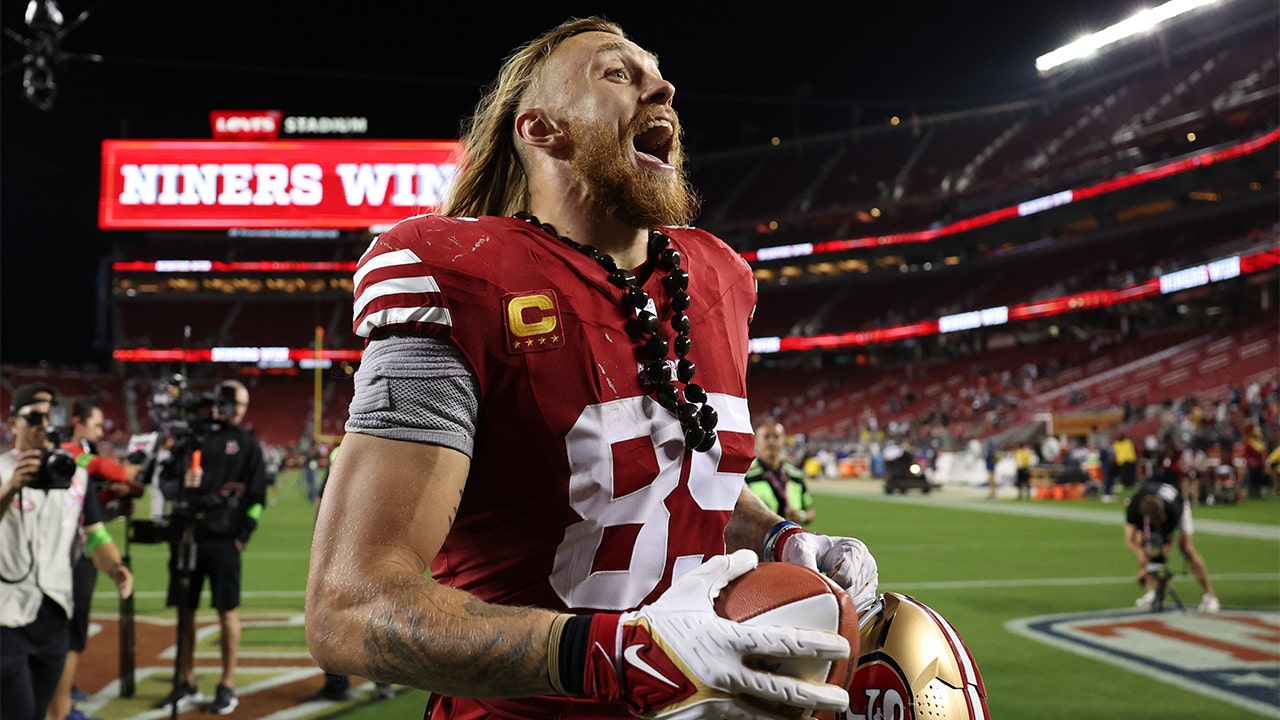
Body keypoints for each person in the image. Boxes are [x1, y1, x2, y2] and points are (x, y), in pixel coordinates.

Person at [306, 17, 878, 720]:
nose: (662, 86)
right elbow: (350, 606)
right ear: (542, 128)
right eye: (618, 73)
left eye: (657, 72)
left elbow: (671, 487)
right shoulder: (464, 277)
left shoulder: (717, 277)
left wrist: (778, 538)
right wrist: (621, 656)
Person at [1, 384, 133, 720]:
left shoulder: (75, 475)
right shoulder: (2, 470)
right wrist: (11, 487)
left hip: (55, 614)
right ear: (13, 422)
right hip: (6, 617)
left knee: (40, 711)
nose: (44, 425)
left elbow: (93, 535)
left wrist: (114, 566)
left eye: (51, 416)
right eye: (34, 416)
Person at [154, 380, 267, 715]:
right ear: (223, 401)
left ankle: (226, 684)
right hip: (187, 537)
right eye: (238, 403)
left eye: (246, 405)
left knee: (227, 611)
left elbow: (257, 498)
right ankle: (185, 681)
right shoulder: (191, 436)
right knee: (184, 613)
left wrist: (241, 534)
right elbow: (164, 479)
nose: (242, 411)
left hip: (223, 541)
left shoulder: (247, 443)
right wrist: (179, 486)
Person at [47, 398, 145, 720]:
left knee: (71, 635)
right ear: (76, 421)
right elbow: (121, 473)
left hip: (80, 555)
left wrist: (116, 566)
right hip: (40, 574)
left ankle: (62, 701)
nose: (102, 430)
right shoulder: (77, 460)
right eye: (97, 424)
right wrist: (126, 472)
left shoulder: (81, 470)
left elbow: (93, 525)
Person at [1124, 474, 1220, 613]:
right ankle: (1152, 592)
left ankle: (1210, 596)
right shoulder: (1134, 508)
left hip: (1180, 504)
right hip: (1153, 508)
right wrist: (1139, 552)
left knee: (1187, 549)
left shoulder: (1173, 510)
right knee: (1142, 546)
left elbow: (1169, 544)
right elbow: (1129, 540)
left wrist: (1147, 570)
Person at [745, 421, 814, 525]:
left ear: (784, 442)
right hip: (758, 539)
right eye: (766, 437)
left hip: (791, 538)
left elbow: (810, 510)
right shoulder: (745, 475)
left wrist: (801, 515)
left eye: (776, 437)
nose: (771, 441)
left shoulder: (795, 474)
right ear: (756, 442)